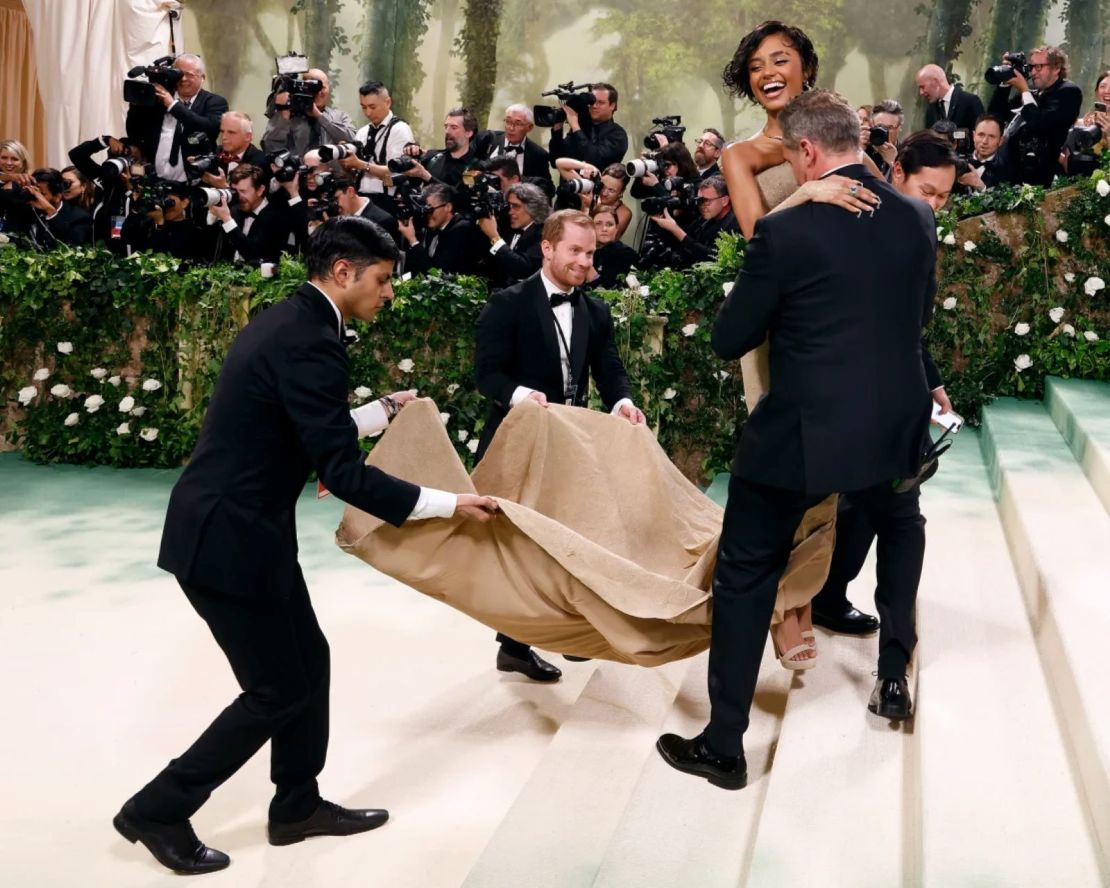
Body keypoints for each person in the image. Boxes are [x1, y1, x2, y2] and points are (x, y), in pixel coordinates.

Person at [113, 216, 499, 875]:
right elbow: (341, 471)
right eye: (382, 281)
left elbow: (298, 425)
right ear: (344, 272)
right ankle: (158, 807)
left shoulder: (294, 321)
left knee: (307, 661)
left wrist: (380, 411)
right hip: (228, 539)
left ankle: (296, 804)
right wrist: (447, 504)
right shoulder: (313, 339)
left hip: (242, 529)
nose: (388, 294)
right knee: (274, 689)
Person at [657, 89, 938, 789]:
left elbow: (730, 337)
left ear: (807, 151)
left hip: (804, 432)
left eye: (791, 156)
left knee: (747, 571)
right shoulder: (916, 216)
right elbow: (915, 318)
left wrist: (784, 215)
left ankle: (725, 745)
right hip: (897, 422)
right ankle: (894, 678)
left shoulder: (786, 231)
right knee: (900, 528)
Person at [715, 19, 858, 660]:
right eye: (756, 66)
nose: (768, 71)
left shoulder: (840, 140)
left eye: (781, 59)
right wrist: (813, 193)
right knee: (779, 466)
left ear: (806, 68)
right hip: (774, 328)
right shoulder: (739, 155)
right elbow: (756, 235)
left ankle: (800, 592)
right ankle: (785, 608)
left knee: (825, 466)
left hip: (834, 326)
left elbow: (872, 209)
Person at [474, 209, 645, 681]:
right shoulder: (506, 303)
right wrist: (521, 397)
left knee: (575, 537)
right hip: (518, 445)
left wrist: (623, 402)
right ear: (547, 248)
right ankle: (514, 645)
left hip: (571, 443)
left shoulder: (595, 310)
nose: (583, 261)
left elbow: (609, 368)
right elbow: (485, 375)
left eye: (589, 253)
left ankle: (570, 632)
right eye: (574, 250)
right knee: (524, 549)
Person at [810, 130, 953, 647]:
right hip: (839, 389)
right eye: (927, 191)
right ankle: (818, 603)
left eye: (943, 196)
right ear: (896, 175)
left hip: (895, 393)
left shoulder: (919, 228)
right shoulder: (853, 217)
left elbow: (907, 324)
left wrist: (929, 379)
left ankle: (834, 602)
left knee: (882, 505)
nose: (935, 204)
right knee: (871, 505)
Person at [125, 53, 228, 184]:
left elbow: (208, 128)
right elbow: (134, 131)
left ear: (202, 77)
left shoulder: (215, 102)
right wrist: (136, 105)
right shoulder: (158, 100)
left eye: (189, 74)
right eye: (179, 74)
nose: (183, 79)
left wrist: (172, 105)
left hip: (193, 183)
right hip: (155, 179)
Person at [988, 45, 1083, 186]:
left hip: (1036, 179)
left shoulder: (1068, 91)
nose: (1033, 72)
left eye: (1039, 67)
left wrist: (1024, 89)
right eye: (1031, 67)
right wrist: (1005, 82)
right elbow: (995, 116)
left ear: (1057, 68)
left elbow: (1040, 124)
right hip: (1005, 172)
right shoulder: (1031, 94)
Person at [341, 80, 416, 206]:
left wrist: (360, 164)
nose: (368, 113)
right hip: (361, 198)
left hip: (388, 201)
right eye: (363, 107)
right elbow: (355, 172)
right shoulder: (362, 132)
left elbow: (396, 174)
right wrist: (346, 162)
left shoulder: (400, 129)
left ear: (387, 102)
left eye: (372, 107)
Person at [210, 163, 301, 264]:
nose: (238, 196)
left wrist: (227, 219)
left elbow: (254, 255)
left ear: (260, 190)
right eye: (234, 191)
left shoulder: (276, 215)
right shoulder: (233, 210)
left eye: (243, 191)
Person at [646, 175, 739, 267]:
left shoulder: (736, 224)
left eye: (706, 200)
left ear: (724, 201)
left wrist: (676, 230)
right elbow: (684, 242)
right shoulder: (704, 220)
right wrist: (664, 225)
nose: (702, 206)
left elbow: (713, 257)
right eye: (699, 201)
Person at [261, 67, 357, 157]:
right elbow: (269, 146)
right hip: (300, 173)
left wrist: (320, 116)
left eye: (322, 87)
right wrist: (283, 114)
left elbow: (353, 139)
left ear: (328, 88)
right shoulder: (290, 117)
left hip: (334, 173)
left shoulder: (339, 116)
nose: (319, 92)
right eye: (313, 88)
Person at [397, 183, 486, 276]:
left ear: (448, 207)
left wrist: (413, 240)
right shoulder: (434, 228)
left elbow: (437, 274)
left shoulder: (461, 230)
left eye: (430, 210)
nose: (427, 214)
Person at [478, 181, 550, 286]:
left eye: (516, 206)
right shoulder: (507, 227)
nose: (510, 212)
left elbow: (522, 269)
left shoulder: (543, 234)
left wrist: (494, 237)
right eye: (509, 205)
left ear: (533, 209)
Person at [547, 83, 629, 169]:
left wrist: (575, 127)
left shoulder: (618, 134)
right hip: (569, 182)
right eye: (591, 102)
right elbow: (555, 161)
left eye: (601, 102)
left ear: (612, 105)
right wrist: (558, 127)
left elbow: (594, 161)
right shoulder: (581, 128)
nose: (594, 106)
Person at [401, 108, 480, 189]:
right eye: (446, 126)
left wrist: (427, 177)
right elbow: (411, 183)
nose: (447, 131)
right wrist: (410, 153)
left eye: (454, 127)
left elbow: (460, 197)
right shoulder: (433, 158)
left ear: (468, 133)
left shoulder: (475, 167)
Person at [554, 158, 633, 239]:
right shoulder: (591, 191)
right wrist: (586, 166)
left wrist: (586, 208)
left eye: (611, 190)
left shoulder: (623, 212)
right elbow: (559, 164)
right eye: (603, 186)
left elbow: (605, 241)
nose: (604, 193)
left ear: (621, 191)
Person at [477, 103, 552, 179]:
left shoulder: (539, 155)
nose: (511, 128)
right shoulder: (488, 139)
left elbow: (546, 185)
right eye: (508, 121)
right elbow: (470, 163)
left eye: (518, 124)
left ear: (529, 127)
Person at [918, 64, 985, 130]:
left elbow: (983, 133)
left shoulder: (970, 101)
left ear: (935, 82)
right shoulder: (931, 110)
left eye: (922, 87)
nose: (921, 92)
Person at [587, 205, 638, 289]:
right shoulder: (584, 251)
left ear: (616, 229)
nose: (604, 229)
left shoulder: (626, 254)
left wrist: (590, 272)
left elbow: (610, 291)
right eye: (598, 224)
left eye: (609, 224)